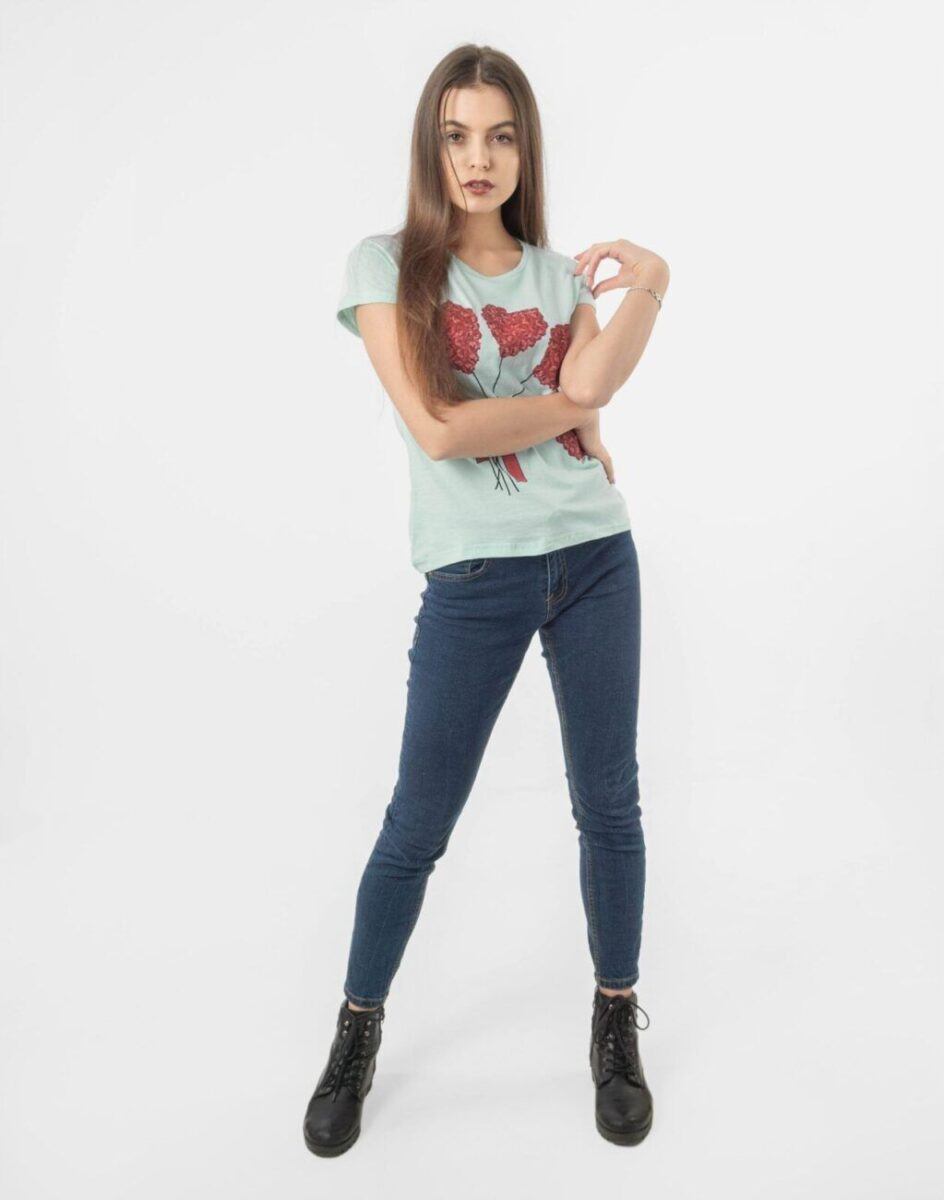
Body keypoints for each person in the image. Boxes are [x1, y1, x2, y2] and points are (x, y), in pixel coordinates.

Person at [303, 42, 669, 1157]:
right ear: (431, 146)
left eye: (500, 135)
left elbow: (593, 381)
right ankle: (356, 1031)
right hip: (473, 577)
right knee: (418, 821)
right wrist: (568, 410)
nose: (479, 157)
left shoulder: (560, 278)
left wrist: (653, 278)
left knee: (609, 805)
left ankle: (615, 1019)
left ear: (524, 149)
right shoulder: (386, 269)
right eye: (457, 134)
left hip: (594, 557)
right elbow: (438, 430)